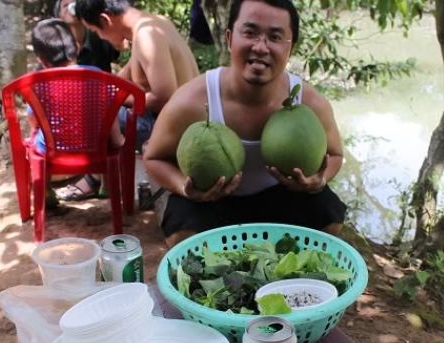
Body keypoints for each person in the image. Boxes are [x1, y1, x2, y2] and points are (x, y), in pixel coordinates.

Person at [143, 0, 346, 248]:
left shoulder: (310, 103)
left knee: (327, 213)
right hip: (210, 202)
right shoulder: (193, 100)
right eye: (249, 33)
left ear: (290, 48)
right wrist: (185, 188)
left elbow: (335, 154)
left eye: (275, 37)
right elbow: (153, 159)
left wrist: (319, 180)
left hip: (279, 198)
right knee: (185, 236)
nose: (261, 47)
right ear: (229, 38)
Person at [74, 0, 199, 153]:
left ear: (104, 20)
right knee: (93, 103)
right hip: (190, 118)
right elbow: (122, 78)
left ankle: (97, 173)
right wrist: (101, 91)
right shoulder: (155, 22)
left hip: (181, 130)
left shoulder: (146, 37)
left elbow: (166, 98)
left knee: (90, 114)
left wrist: (112, 97)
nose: (100, 37)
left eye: (95, 31)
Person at [27, 19, 125, 207]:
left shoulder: (38, 85)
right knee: (98, 124)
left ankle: (46, 191)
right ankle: (105, 184)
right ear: (78, 48)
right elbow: (110, 111)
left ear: (41, 60)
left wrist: (36, 127)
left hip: (53, 153)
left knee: (36, 139)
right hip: (97, 149)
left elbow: (32, 118)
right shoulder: (98, 76)